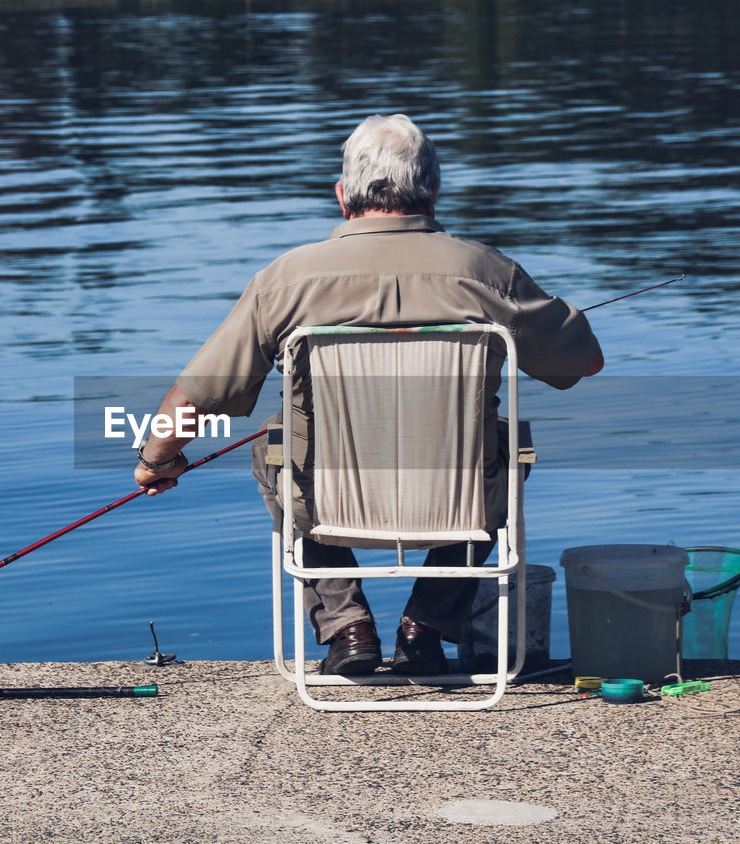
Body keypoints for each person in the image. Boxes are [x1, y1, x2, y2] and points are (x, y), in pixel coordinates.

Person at [132, 114, 603, 675]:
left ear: (342, 195)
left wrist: (156, 460)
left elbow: (195, 396)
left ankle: (347, 627)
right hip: (458, 499)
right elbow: (585, 361)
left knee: (272, 447)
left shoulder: (286, 281)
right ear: (432, 190)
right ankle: (423, 628)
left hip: (330, 499)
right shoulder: (488, 272)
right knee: (505, 449)